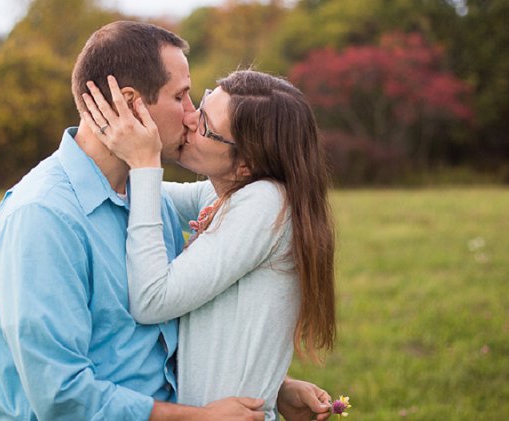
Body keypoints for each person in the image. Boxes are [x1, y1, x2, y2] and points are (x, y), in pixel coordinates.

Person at [0, 21, 331, 420]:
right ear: (133, 105)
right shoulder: (42, 219)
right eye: (181, 97)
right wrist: (196, 418)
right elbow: (61, 396)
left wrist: (267, 383)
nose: (190, 116)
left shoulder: (147, 197)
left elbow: (163, 335)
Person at [80, 68, 337, 421]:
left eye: (205, 123)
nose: (188, 118)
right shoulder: (229, 194)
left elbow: (152, 299)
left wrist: (144, 163)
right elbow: (139, 194)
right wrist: (108, 136)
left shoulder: (265, 203)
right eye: (200, 105)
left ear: (246, 164)